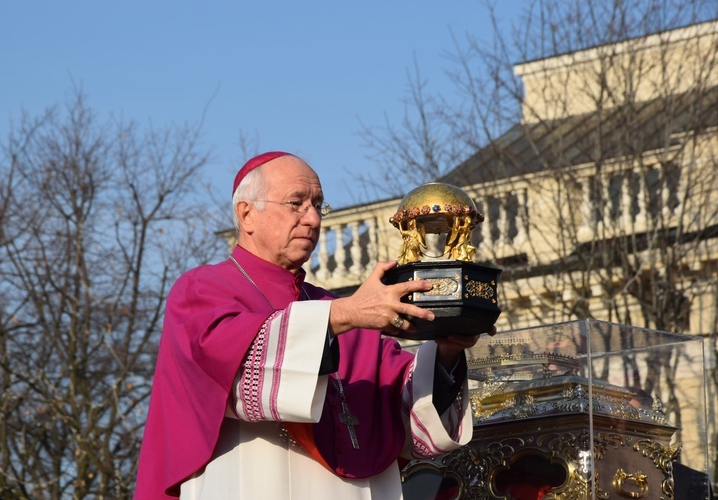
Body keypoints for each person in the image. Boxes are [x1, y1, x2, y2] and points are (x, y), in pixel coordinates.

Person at [134, 151, 490, 499]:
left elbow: (406, 405)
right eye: (296, 203)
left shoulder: (332, 307)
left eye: (318, 205)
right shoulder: (202, 290)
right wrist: (344, 314)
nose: (314, 220)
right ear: (246, 214)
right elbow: (232, 374)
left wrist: (447, 347)